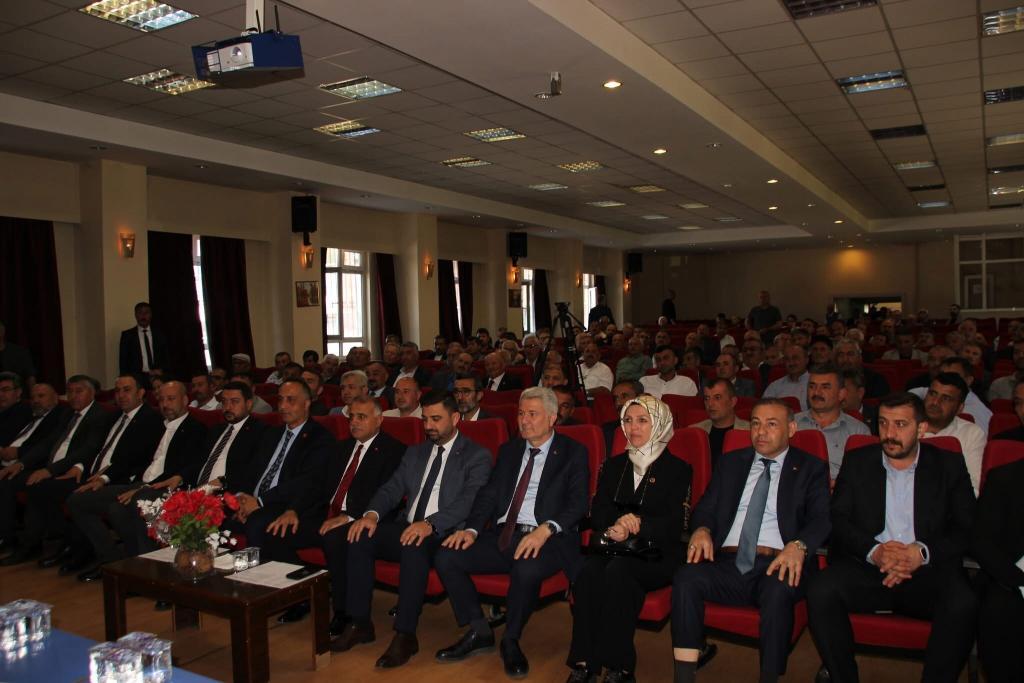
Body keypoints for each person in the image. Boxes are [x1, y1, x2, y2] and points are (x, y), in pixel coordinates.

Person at [807, 393, 977, 683]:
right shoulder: (859, 460)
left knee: (963, 602)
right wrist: (875, 551)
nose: (889, 433)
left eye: (900, 425)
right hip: (869, 565)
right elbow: (839, 518)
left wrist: (920, 553)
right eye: (883, 423)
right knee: (820, 590)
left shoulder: (948, 464)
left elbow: (967, 527)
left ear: (921, 429)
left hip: (926, 570)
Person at [671, 399, 831, 683]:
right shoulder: (732, 463)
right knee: (686, 577)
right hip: (727, 561)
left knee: (777, 590)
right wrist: (702, 529)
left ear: (791, 429)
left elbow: (822, 519)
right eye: (755, 423)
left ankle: (769, 677)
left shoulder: (810, 467)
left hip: (777, 562)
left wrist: (800, 545)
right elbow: (706, 507)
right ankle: (684, 676)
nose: (761, 431)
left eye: (771, 424)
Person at [434, 387, 590, 678]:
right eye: (520, 413)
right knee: (446, 555)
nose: (524, 420)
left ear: (552, 417)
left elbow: (578, 503)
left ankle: (511, 639)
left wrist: (546, 529)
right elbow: (489, 495)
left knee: (526, 568)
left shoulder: (573, 452)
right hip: (504, 534)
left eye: (532, 414)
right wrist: (471, 529)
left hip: (547, 539)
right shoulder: (510, 450)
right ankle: (479, 630)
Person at [332, 392, 492, 668]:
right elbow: (392, 488)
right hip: (407, 525)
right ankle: (359, 623)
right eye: (425, 419)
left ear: (456, 418)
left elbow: (468, 501)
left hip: (444, 531)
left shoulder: (476, 455)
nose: (429, 426)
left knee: (414, 545)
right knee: (360, 535)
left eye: (436, 419)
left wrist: (430, 524)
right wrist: (371, 515)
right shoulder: (416, 452)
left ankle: (405, 634)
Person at [567, 396, 692, 683]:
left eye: (642, 420)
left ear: (660, 424)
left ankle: (618, 666)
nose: (633, 427)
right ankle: (585, 661)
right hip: (615, 547)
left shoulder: (678, 469)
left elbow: (676, 523)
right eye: (628, 420)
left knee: (618, 573)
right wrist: (617, 524)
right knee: (587, 573)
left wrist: (638, 525)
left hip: (658, 552)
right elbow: (598, 510)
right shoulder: (613, 465)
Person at [108, 380, 267, 565]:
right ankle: (147, 564)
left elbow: (253, 469)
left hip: (223, 492)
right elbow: (199, 462)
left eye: (235, 401)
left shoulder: (260, 431)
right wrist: (180, 476)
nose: (228, 407)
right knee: (134, 508)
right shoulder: (217, 430)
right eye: (224, 402)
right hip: (194, 489)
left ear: (249, 403)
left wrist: (222, 481)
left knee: (152, 506)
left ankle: (163, 565)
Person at [66, 381, 206, 580]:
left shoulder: (195, 429)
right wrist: (105, 477)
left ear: (185, 400)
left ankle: (144, 572)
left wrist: (143, 488)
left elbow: (186, 468)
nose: (165, 404)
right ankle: (112, 560)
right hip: (138, 483)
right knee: (78, 500)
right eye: (161, 400)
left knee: (121, 507)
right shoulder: (155, 426)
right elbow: (133, 457)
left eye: (171, 399)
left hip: (164, 487)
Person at [0, 375, 110, 566]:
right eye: (70, 392)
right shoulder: (68, 414)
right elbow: (48, 443)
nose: (73, 396)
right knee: (10, 479)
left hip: (75, 471)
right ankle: (19, 540)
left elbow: (88, 450)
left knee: (38, 487)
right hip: (52, 467)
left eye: (79, 391)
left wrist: (50, 470)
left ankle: (51, 543)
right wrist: (22, 463)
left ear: (92, 393)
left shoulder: (99, 415)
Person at [229, 379, 335, 555]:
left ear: (306, 403)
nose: (283, 406)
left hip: (286, 503)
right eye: (280, 399)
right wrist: (242, 499)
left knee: (257, 523)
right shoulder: (271, 433)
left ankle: (260, 572)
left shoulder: (320, 438)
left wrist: (260, 502)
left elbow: (306, 482)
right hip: (257, 501)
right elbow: (252, 470)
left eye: (290, 400)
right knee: (214, 514)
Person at [971, 456, 1024, 682]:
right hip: (1012, 580)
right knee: (998, 612)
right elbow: (981, 542)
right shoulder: (1004, 478)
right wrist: (1019, 581)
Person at [0, 383, 68, 554]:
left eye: (41, 396)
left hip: (38, 465)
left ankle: (9, 539)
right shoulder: (34, 416)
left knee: (8, 481)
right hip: (17, 461)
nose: (36, 400)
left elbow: (46, 446)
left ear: (56, 398)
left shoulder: (60, 415)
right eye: (33, 397)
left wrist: (19, 455)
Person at [795, 364, 870, 481]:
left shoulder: (859, 431)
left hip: (840, 489)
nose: (817, 392)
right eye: (812, 386)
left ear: (841, 394)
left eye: (825, 387)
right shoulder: (790, 424)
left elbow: (864, 475)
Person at [919, 373, 986, 495]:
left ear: (960, 408)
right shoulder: (904, 425)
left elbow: (973, 488)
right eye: (932, 394)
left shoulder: (971, 433)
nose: (935, 402)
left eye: (946, 398)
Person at [910, 356, 991, 435]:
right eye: (942, 374)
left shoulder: (976, 413)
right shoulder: (930, 389)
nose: (946, 379)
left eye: (946, 398)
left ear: (968, 380)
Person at [689, 378, 750, 470]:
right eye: (706, 398)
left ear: (732, 402)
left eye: (717, 398)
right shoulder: (694, 431)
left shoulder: (750, 432)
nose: (710, 404)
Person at [118, 302, 169, 379]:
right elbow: (123, 362)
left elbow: (166, 358)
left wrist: (161, 370)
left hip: (158, 376)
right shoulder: (127, 335)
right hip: (137, 377)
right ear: (135, 315)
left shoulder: (159, 334)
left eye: (146, 312)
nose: (143, 316)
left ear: (151, 315)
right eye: (140, 312)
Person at [763, 344, 810, 411]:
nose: (791, 363)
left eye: (795, 358)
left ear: (806, 360)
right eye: (787, 359)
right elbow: (764, 410)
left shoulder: (816, 384)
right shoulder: (775, 386)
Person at [603, 380, 643, 458]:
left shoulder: (650, 428)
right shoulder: (607, 430)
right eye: (615, 398)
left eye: (624, 396)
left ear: (639, 398)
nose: (618, 403)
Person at [840, 369, 877, 435]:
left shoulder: (876, 416)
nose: (839, 394)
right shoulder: (830, 417)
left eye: (844, 390)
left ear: (860, 392)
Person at [0, 321, 35, 386]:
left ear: (3, 331)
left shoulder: (19, 352)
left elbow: (30, 377)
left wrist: (33, 391)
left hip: (17, 391)